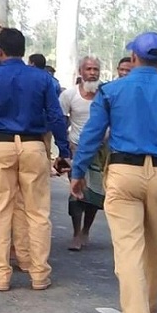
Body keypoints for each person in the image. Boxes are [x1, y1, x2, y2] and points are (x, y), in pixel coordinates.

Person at [69, 32, 157, 313]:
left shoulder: (112, 90)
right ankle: (152, 307)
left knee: (129, 248)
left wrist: (78, 172)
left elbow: (92, 134)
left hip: (123, 172)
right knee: (156, 245)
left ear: (133, 57)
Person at [0, 28, 71, 292]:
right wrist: (64, 151)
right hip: (34, 146)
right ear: (23, 50)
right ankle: (39, 274)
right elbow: (56, 117)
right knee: (37, 212)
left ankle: (1, 275)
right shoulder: (43, 79)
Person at [59, 56, 104, 251]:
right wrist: (63, 149)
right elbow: (61, 121)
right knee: (76, 193)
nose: (92, 72)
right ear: (80, 71)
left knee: (94, 193)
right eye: (88, 69)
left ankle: (86, 230)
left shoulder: (106, 94)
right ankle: (76, 233)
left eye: (95, 69)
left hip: (101, 152)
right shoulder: (69, 95)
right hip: (77, 149)